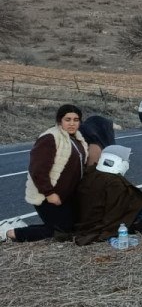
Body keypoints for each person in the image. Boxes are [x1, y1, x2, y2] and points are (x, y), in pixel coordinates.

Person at [4, 104, 87, 243]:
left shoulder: (76, 140)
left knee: (73, 227)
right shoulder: (50, 138)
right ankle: (9, 233)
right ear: (59, 121)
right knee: (61, 232)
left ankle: (17, 226)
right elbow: (37, 170)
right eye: (68, 119)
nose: (72, 123)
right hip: (47, 196)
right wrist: (49, 193)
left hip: (66, 196)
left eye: (76, 120)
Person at [73, 145, 142, 245]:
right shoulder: (114, 182)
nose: (128, 162)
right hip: (102, 225)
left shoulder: (90, 174)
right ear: (119, 162)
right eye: (127, 160)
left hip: (86, 222)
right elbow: (117, 213)